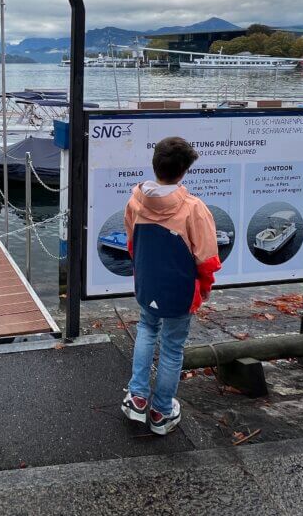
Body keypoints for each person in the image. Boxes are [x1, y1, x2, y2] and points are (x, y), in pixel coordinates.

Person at [121, 136, 221, 435]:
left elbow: (131, 244)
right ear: (184, 171)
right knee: (173, 346)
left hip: (148, 282)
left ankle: (137, 397)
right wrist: (204, 287)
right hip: (179, 288)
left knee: (146, 329)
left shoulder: (135, 201)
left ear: (155, 164)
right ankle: (162, 411)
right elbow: (207, 258)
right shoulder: (194, 208)